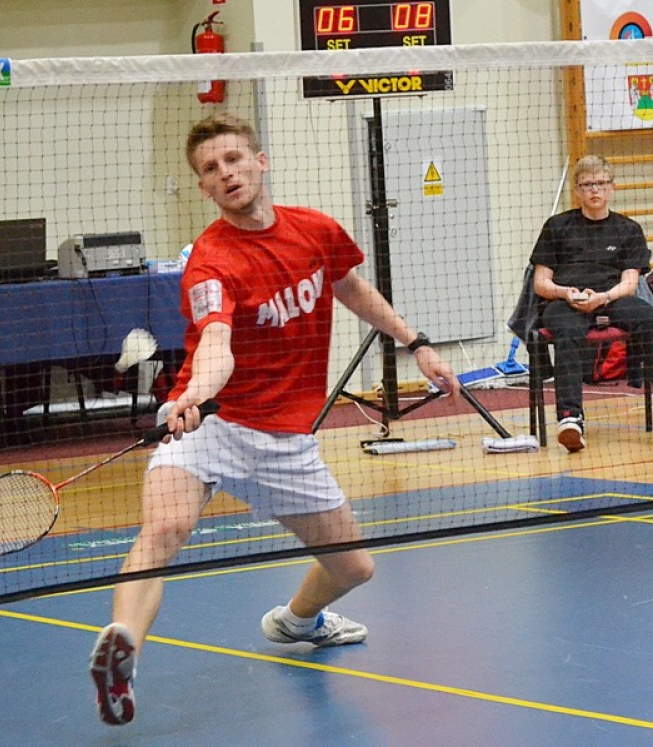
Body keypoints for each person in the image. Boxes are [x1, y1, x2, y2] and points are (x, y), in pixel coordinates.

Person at [87, 113, 461, 725]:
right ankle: (123, 648)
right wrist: (194, 395)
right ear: (203, 187)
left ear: (261, 161)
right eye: (211, 169)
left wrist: (415, 341)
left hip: (285, 440)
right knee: (164, 529)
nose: (226, 173)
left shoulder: (315, 229)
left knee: (354, 567)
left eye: (234, 159)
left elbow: (351, 287)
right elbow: (217, 344)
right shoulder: (209, 262)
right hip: (209, 421)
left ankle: (296, 622)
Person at [530, 154, 653, 453]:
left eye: (601, 183)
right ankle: (570, 419)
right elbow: (541, 283)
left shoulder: (628, 229)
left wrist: (604, 297)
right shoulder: (557, 226)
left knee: (649, 319)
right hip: (566, 300)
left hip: (612, 298)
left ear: (612, 187)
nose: (594, 190)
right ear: (577, 190)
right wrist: (566, 293)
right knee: (567, 331)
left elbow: (629, 283)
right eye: (587, 184)